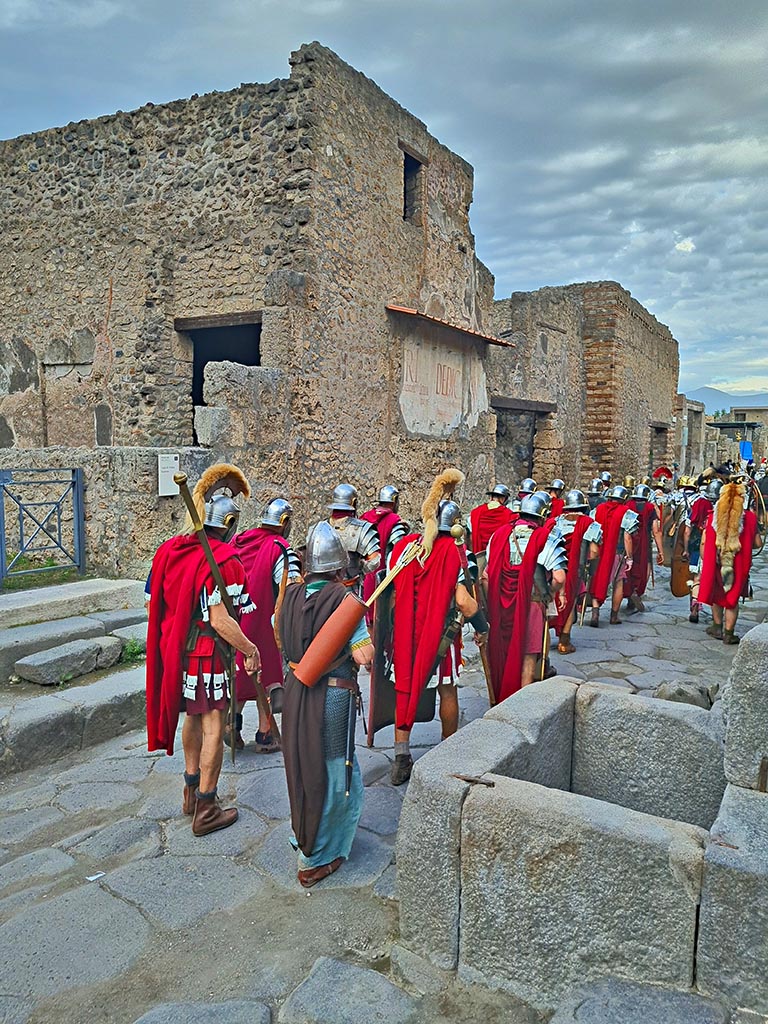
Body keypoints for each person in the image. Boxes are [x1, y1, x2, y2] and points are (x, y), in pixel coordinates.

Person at [146, 464, 260, 837]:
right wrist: (250, 648)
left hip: (181, 654)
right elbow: (220, 620)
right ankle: (207, 807)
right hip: (209, 655)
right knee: (214, 726)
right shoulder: (224, 561)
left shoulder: (170, 552)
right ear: (228, 523)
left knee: (191, 720)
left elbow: (154, 601)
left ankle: (190, 792)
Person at [278, 522, 375, 887]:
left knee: (303, 766)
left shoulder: (290, 596)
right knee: (336, 772)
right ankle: (319, 855)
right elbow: (363, 655)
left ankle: (305, 832)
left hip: (296, 692)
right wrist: (364, 637)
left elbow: (281, 635)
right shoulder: (342, 601)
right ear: (339, 566)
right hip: (333, 695)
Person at [389, 469, 487, 785]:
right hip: (440, 638)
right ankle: (448, 748)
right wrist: (481, 625)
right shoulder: (453, 554)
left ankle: (401, 756)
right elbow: (464, 602)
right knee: (447, 689)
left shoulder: (408, 548)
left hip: (405, 637)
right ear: (457, 526)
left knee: (405, 688)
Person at [229, 498, 302, 752]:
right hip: (263, 624)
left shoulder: (240, 540)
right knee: (267, 675)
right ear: (283, 522)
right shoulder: (279, 547)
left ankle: (233, 726)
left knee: (239, 674)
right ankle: (265, 733)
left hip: (234, 622)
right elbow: (291, 586)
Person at [486, 492, 567, 698]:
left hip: (502, 605)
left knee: (504, 652)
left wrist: (492, 603)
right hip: (532, 605)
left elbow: (485, 577)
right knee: (528, 656)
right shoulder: (545, 538)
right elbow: (559, 577)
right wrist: (549, 594)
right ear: (541, 516)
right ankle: (520, 707)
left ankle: (502, 697)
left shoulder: (499, 535)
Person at [699, 479, 762, 644]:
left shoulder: (713, 517)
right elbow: (758, 544)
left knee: (717, 594)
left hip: (717, 562)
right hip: (738, 564)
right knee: (732, 598)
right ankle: (729, 633)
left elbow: (705, 542)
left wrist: (706, 560)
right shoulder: (750, 518)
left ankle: (716, 627)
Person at [552, 489, 602, 654]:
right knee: (570, 601)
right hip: (574, 568)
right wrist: (590, 564)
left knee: (550, 601)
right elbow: (594, 551)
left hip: (553, 566)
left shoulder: (556, 521)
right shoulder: (589, 523)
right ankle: (564, 642)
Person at [589, 484, 639, 626]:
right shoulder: (626, 513)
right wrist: (630, 557)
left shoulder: (597, 510)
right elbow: (627, 537)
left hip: (597, 552)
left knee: (597, 580)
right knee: (618, 583)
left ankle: (595, 613)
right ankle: (614, 616)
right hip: (617, 554)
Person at [360, 485, 408, 620]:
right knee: (381, 621)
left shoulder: (364, 517)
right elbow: (400, 551)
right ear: (395, 501)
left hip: (360, 576)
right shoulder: (394, 521)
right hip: (382, 578)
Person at [327, 483, 381, 592]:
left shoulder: (320, 528)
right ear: (354, 503)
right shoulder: (362, 529)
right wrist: (361, 569)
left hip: (324, 591)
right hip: (350, 590)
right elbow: (375, 560)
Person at [682, 480, 721, 623]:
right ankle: (718, 620)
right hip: (718, 549)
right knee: (716, 581)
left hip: (698, 547)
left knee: (697, 579)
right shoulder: (723, 507)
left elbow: (687, 530)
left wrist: (685, 549)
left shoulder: (698, 504)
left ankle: (694, 610)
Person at [624, 483, 664, 613]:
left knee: (628, 567)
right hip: (644, 541)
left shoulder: (628, 505)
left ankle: (630, 591)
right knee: (644, 567)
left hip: (628, 540)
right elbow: (656, 530)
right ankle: (637, 591)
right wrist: (660, 551)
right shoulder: (649, 507)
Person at [469, 483, 515, 571]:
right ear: (503, 498)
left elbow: (470, 537)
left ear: (491, 497)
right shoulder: (509, 515)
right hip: (498, 558)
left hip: (478, 556)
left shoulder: (475, 513)